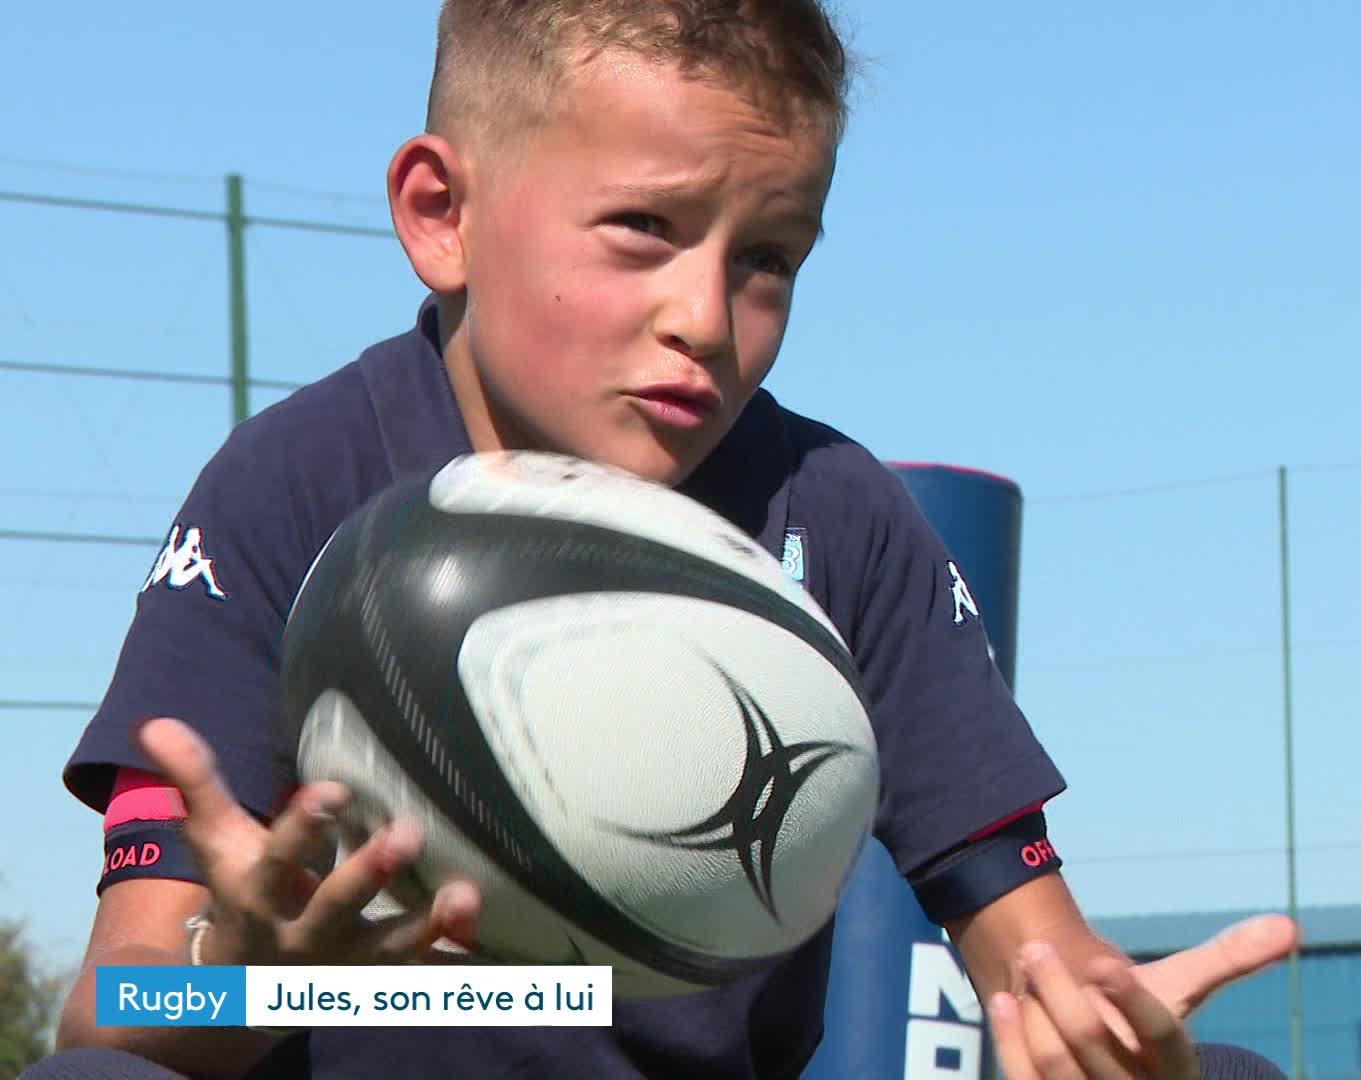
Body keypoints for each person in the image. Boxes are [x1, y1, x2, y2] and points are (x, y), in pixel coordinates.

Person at [41, 2, 1295, 1078]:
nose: (707, 316)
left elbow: (1040, 956)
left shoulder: (839, 516)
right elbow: (114, 1005)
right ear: (441, 215)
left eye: (768, 259)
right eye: (645, 227)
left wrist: (1102, 1030)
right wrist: (247, 981)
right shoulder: (292, 487)